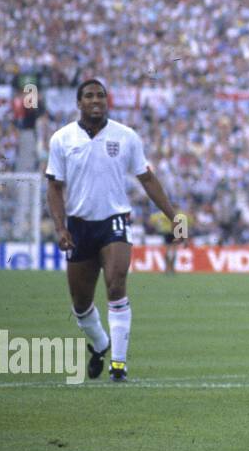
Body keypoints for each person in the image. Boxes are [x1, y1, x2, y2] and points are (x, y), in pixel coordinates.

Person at [45, 79, 183, 382]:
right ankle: (101, 344)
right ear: (79, 103)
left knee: (116, 282)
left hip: (115, 221)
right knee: (81, 305)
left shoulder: (126, 137)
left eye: (101, 96)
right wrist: (60, 227)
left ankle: (118, 364)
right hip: (79, 226)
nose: (97, 100)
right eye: (90, 96)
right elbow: (54, 186)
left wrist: (174, 216)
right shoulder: (62, 139)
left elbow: (147, 178)